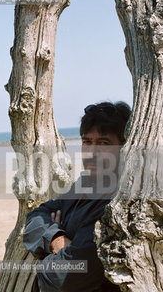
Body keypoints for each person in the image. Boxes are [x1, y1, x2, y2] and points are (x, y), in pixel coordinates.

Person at [23, 101, 131, 292]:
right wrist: (57, 237)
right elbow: (36, 216)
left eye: (104, 143)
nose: (92, 153)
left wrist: (41, 257)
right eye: (87, 142)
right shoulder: (85, 184)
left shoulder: (119, 202)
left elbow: (65, 278)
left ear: (123, 147)